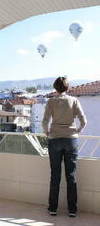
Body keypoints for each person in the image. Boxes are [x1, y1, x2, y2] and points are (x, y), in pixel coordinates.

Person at [42, 77, 87, 217]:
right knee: (71, 175)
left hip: (55, 139)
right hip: (71, 140)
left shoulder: (51, 101)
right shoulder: (74, 101)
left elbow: (45, 121)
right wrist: (76, 131)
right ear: (67, 87)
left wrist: (47, 133)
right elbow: (83, 121)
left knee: (55, 175)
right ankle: (72, 210)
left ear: (55, 88)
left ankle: (53, 208)